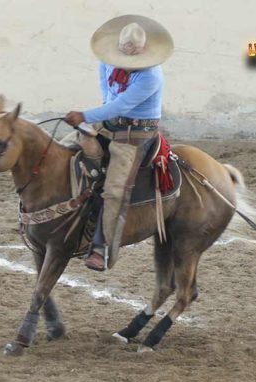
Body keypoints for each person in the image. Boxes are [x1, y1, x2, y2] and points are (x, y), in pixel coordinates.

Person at [65, 15, 174, 271]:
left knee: (115, 190)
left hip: (135, 136)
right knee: (65, 149)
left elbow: (122, 104)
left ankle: (102, 248)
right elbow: (107, 92)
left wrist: (86, 116)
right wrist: (99, 116)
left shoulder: (151, 76)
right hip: (109, 123)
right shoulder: (106, 61)